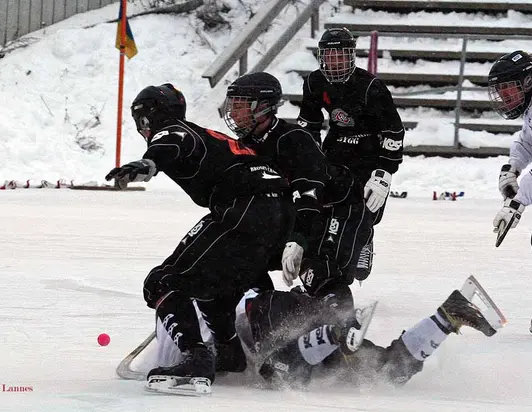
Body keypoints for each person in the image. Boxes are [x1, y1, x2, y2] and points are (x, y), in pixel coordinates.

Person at [105, 83, 295, 385]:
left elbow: (170, 144)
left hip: (245, 207)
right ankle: (228, 351)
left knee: (161, 281)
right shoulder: (203, 134)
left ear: (146, 118)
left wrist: (147, 164)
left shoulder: (172, 130)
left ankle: (195, 358)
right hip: (279, 213)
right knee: (212, 288)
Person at [147, 281, 501, 390]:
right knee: (389, 373)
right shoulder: (202, 292)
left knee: (279, 371)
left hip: (271, 314)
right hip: (297, 310)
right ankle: (448, 315)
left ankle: (334, 333)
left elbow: (211, 358)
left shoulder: (190, 311)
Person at [223, 71, 372, 309]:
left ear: (262, 107)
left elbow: (309, 193)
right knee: (242, 261)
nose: (232, 113)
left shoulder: (294, 139)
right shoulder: (246, 147)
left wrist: (298, 239)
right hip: (300, 215)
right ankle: (263, 313)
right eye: (232, 106)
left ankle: (341, 325)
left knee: (318, 273)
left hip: (339, 209)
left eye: (239, 106)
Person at [296, 27, 405, 282]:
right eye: (329, 56)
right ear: (321, 57)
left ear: (351, 57)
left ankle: (365, 239)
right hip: (336, 149)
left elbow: (394, 133)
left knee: (367, 207)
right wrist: (308, 158)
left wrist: (384, 173)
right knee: (324, 204)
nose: (334, 63)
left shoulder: (371, 88)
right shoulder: (314, 82)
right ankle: (321, 263)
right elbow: (308, 126)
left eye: (340, 56)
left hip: (370, 153)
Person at [488, 50, 532, 335]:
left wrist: (517, 203)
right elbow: (527, 142)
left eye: (507, 88)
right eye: (499, 89)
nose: (503, 96)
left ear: (528, 83)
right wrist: (513, 168)